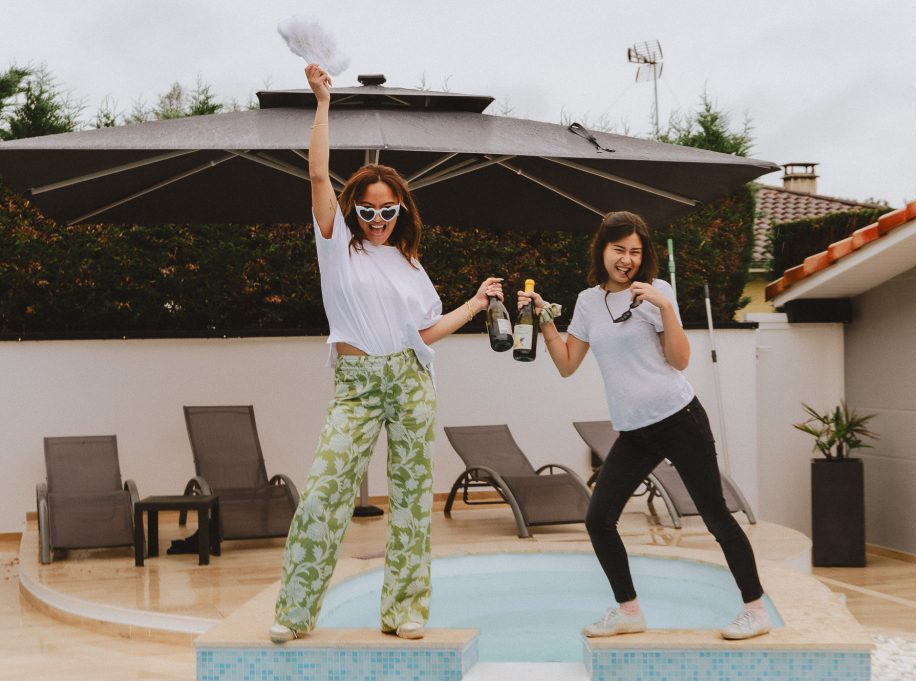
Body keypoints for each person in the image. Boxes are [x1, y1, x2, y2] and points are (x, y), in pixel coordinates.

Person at [270, 64, 504, 644]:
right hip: (355, 381)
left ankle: (405, 608)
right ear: (355, 210)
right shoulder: (336, 246)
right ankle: (294, 611)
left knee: (411, 497)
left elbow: (422, 335)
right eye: (368, 211)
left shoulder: (412, 266)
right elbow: (319, 176)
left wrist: (475, 304)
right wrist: (322, 105)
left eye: (387, 211)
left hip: (411, 380)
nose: (377, 220)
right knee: (326, 488)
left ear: (401, 211)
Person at [518, 211, 772, 641]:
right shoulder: (587, 302)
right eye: (619, 250)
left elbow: (680, 360)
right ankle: (629, 610)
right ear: (602, 249)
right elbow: (566, 364)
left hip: (680, 417)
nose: (627, 260)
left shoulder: (655, 293)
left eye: (635, 252)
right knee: (599, 519)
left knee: (714, 516)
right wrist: (543, 318)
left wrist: (665, 308)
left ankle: (755, 609)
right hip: (635, 430)